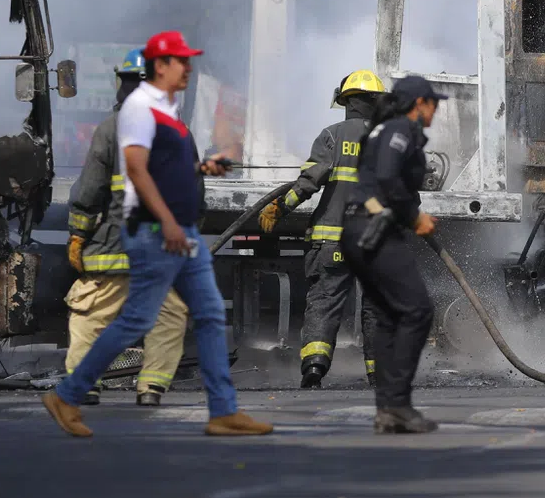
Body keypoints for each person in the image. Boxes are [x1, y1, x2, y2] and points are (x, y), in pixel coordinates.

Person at [42, 31, 272, 438]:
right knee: (148, 316)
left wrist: (79, 233)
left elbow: (92, 189)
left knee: (188, 313)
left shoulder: (145, 125)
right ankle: (85, 390)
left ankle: (219, 409)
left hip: (154, 237)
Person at [65, 48, 190, 406]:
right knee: (168, 316)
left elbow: (89, 190)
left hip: (114, 245)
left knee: (90, 313)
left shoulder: (110, 129)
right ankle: (151, 388)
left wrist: (78, 235)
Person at [259, 69, 385, 388]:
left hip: (333, 244)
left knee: (324, 304)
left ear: (347, 102)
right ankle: (378, 374)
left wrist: (277, 208)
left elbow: (307, 184)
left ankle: (314, 370)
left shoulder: (331, 136)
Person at [339, 75, 443, 435]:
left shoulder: (382, 129)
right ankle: (397, 404)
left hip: (356, 229)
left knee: (388, 317)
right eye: (434, 104)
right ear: (419, 104)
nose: (436, 111)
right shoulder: (401, 129)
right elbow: (386, 178)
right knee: (416, 310)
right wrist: (415, 217)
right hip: (375, 230)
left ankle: (387, 409)